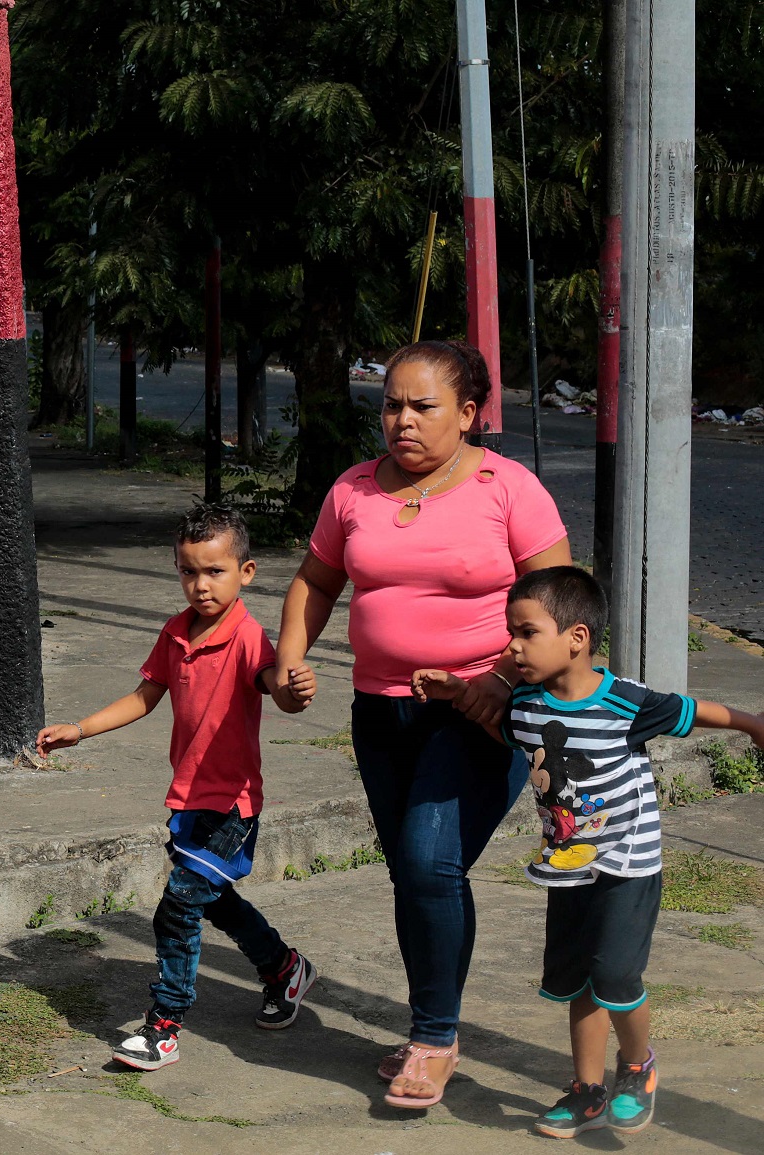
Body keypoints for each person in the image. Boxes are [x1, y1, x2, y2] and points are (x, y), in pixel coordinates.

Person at [271, 339, 573, 1108]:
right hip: (381, 715)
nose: (401, 420)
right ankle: (429, 1025)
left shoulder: (512, 489)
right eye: (391, 404)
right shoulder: (353, 491)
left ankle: (435, 1038)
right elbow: (315, 580)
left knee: (430, 860)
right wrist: (288, 663)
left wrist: (498, 681)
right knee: (415, 871)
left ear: (469, 413)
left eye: (422, 406)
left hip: (482, 716)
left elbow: (563, 609)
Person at [414, 567, 764, 1138]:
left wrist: (752, 725)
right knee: (578, 983)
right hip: (568, 867)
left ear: (576, 638)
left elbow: (691, 709)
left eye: (526, 632)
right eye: (511, 631)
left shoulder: (625, 703)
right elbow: (509, 734)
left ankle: (636, 1067)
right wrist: (459, 694)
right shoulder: (524, 704)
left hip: (628, 865)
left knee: (616, 976)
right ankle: (587, 1091)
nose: (512, 646)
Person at [36, 505, 318, 1071]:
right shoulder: (174, 633)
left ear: (247, 572)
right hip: (187, 799)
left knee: (178, 906)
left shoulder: (246, 638)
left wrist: (294, 688)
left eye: (214, 571)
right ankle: (285, 968)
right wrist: (80, 729)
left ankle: (163, 1026)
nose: (200, 584)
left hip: (233, 805)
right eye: (189, 572)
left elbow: (273, 684)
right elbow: (144, 696)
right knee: (213, 902)